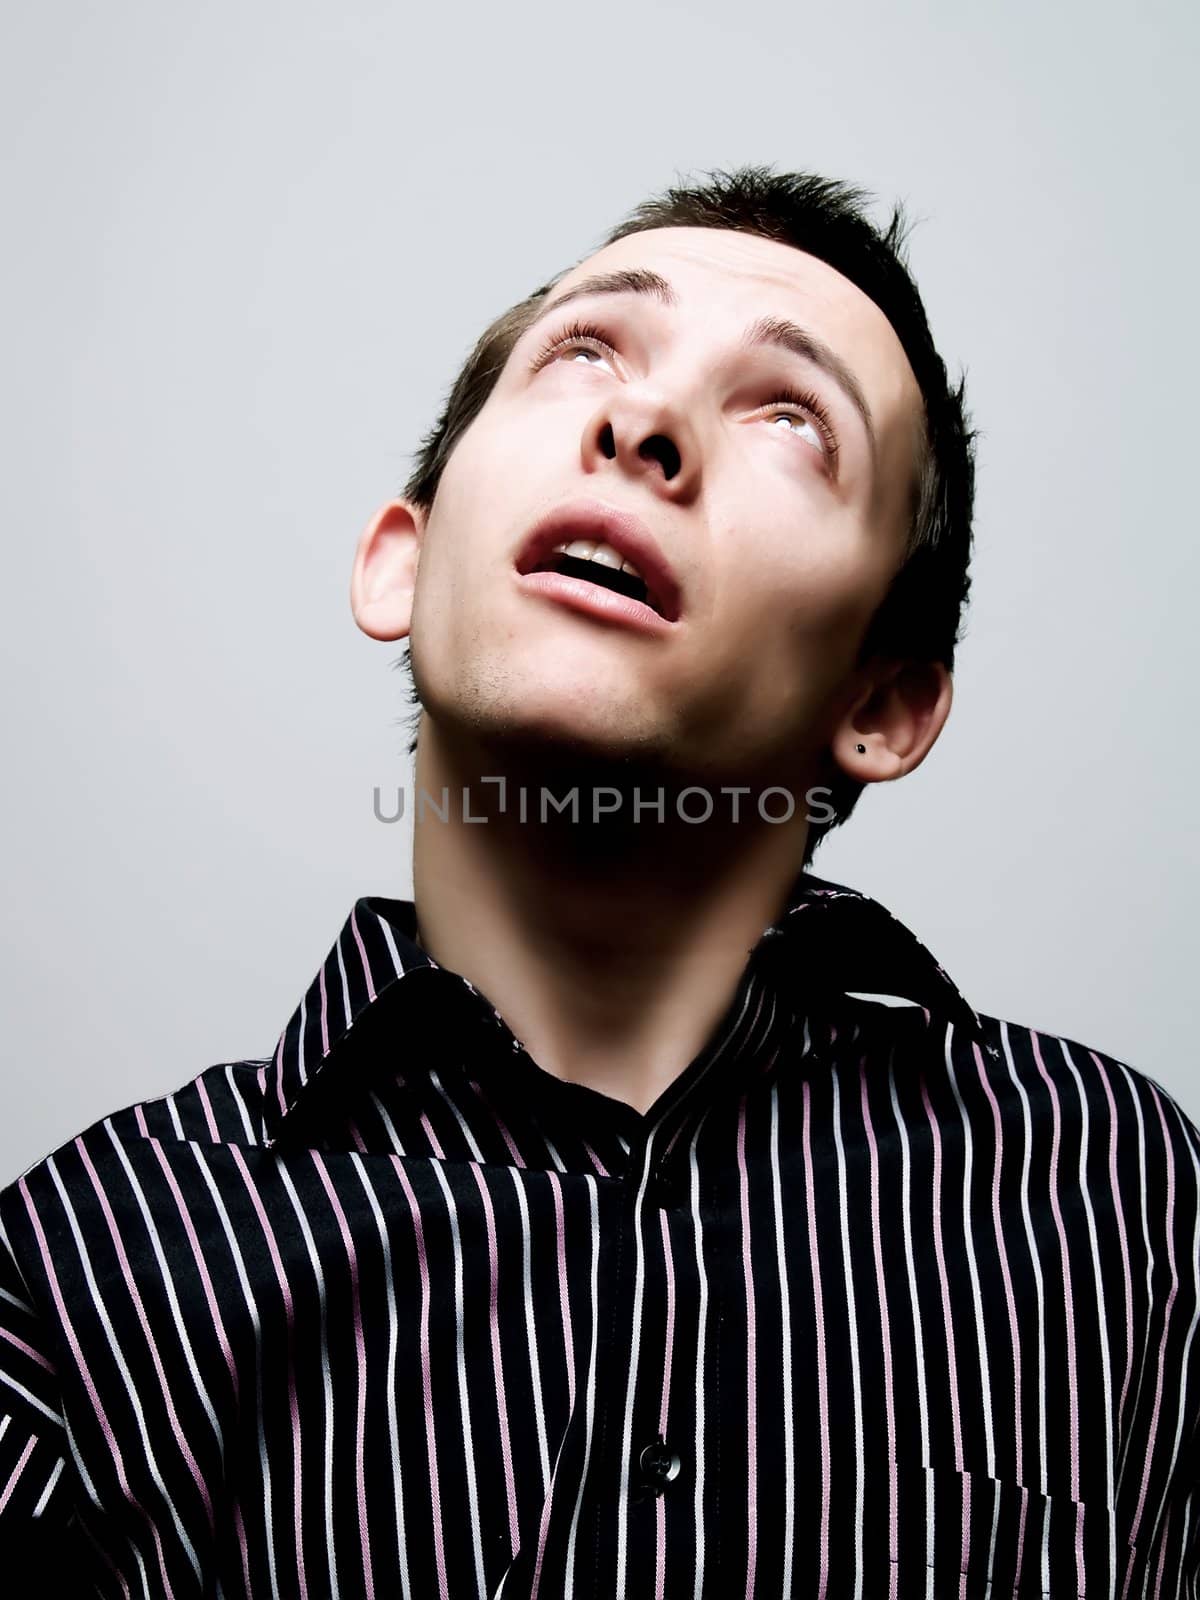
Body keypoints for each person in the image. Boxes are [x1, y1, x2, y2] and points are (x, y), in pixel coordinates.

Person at [0, 164, 1196, 1598]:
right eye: (585, 353)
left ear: (883, 700)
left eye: (791, 420)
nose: (643, 426)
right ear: (403, 555)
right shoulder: (78, 1275)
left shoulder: (1120, 1199)